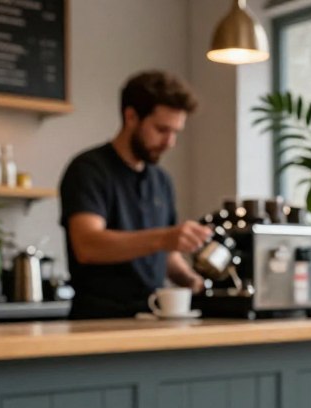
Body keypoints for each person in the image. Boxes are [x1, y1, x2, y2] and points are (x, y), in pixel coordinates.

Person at [59, 71, 210, 319]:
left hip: (153, 319)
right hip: (98, 323)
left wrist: (191, 280)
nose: (170, 142)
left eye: (175, 132)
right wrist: (163, 238)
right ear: (131, 116)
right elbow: (87, 245)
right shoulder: (88, 169)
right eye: (162, 130)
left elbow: (168, 253)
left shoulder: (161, 180)